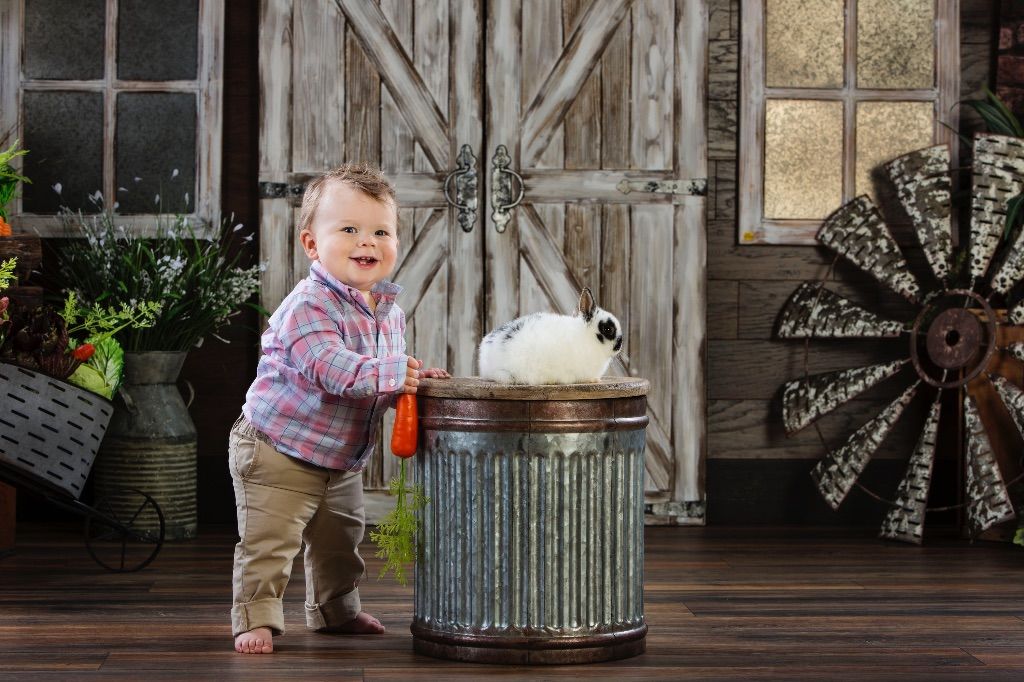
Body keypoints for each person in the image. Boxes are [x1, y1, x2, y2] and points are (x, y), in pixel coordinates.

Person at [229, 164, 450, 654]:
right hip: (277, 450)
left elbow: (373, 381)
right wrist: (393, 373)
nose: (365, 242)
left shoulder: (387, 311)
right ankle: (255, 618)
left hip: (339, 457)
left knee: (341, 540)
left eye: (380, 231)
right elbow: (335, 371)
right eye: (348, 229)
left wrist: (408, 388)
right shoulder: (307, 307)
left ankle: (335, 610)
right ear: (312, 244)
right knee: (270, 544)